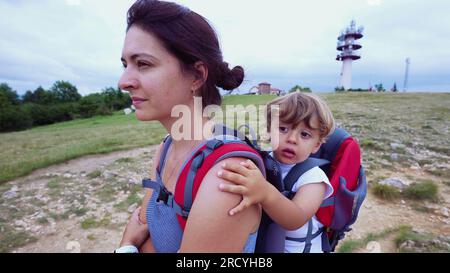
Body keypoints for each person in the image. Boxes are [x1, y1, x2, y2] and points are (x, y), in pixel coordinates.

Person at [116, 0, 264, 253]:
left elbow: (138, 234)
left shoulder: (226, 178)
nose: (124, 81)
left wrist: (128, 246)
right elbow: (146, 225)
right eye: (125, 65)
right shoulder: (167, 149)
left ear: (196, 76)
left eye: (143, 64)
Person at [217, 92, 336, 253]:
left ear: (316, 145)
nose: (292, 139)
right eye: (283, 128)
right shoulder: (262, 161)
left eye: (305, 134)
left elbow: (296, 219)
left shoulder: (314, 178)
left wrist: (265, 193)